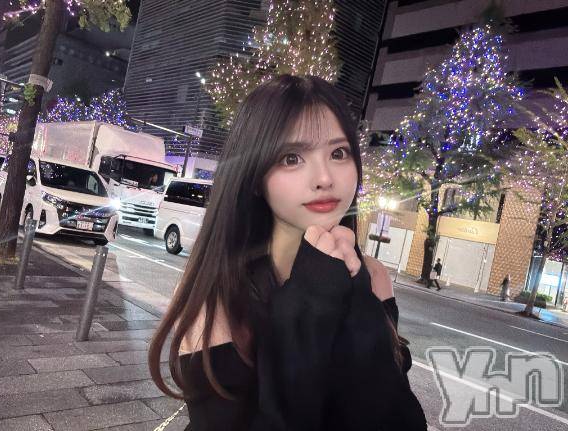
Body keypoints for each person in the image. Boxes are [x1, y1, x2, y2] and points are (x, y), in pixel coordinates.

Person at [148, 75, 427, 430]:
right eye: (292, 158)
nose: (324, 178)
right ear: (254, 176)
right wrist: (310, 302)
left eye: (338, 153)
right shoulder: (216, 293)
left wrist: (356, 297)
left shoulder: (373, 277)